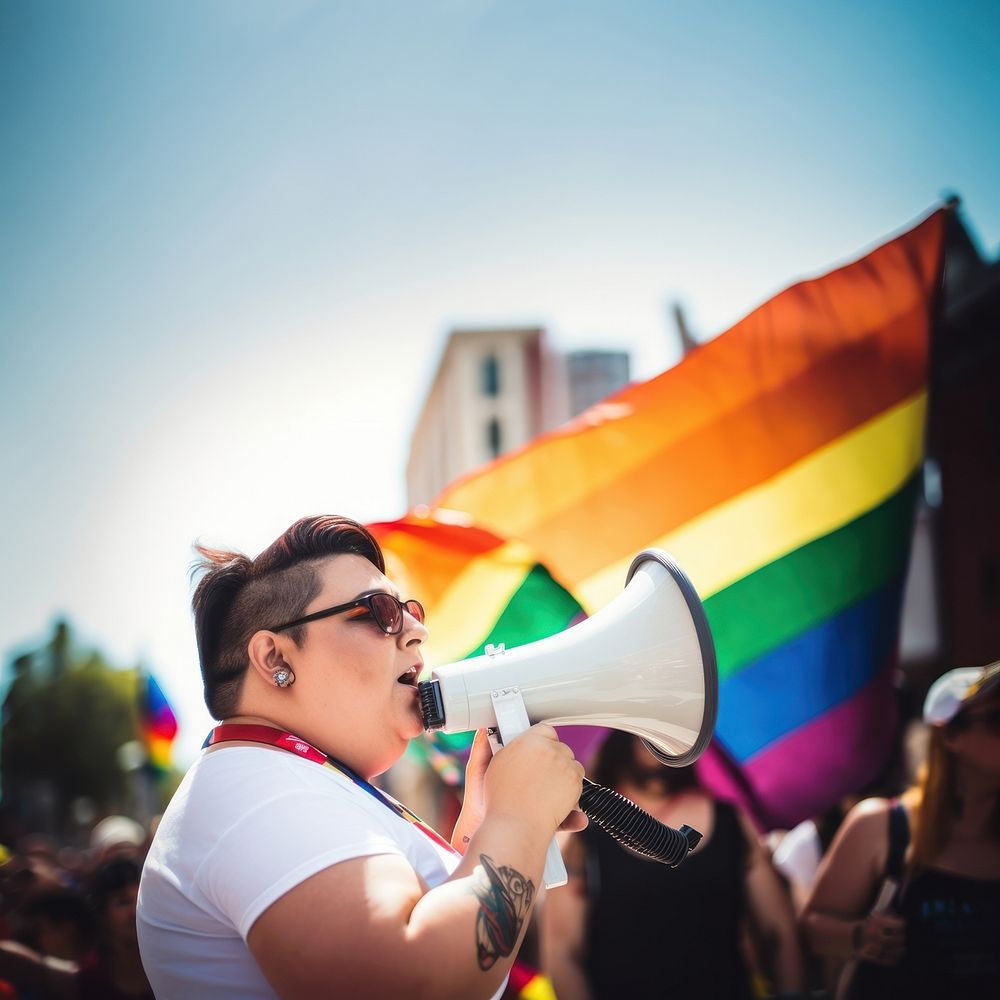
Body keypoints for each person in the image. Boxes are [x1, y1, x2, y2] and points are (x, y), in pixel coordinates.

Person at [136, 515, 585, 1000]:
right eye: (380, 611)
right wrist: (517, 821)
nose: (416, 630)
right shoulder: (260, 792)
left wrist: (483, 827)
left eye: (410, 610)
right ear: (275, 659)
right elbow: (408, 983)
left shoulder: (275, 780)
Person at [540, 731, 804, 1000]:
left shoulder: (731, 820)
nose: (653, 741)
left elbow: (778, 930)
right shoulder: (582, 835)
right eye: (641, 731)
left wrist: (790, 992)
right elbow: (563, 954)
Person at [800, 661, 1000, 999]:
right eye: (997, 721)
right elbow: (810, 928)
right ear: (950, 736)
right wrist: (860, 936)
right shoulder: (881, 825)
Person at [0, 857, 154, 999]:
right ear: (103, 914)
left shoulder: (173, 957)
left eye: (143, 898)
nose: (136, 910)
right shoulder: (91, 976)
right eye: (124, 901)